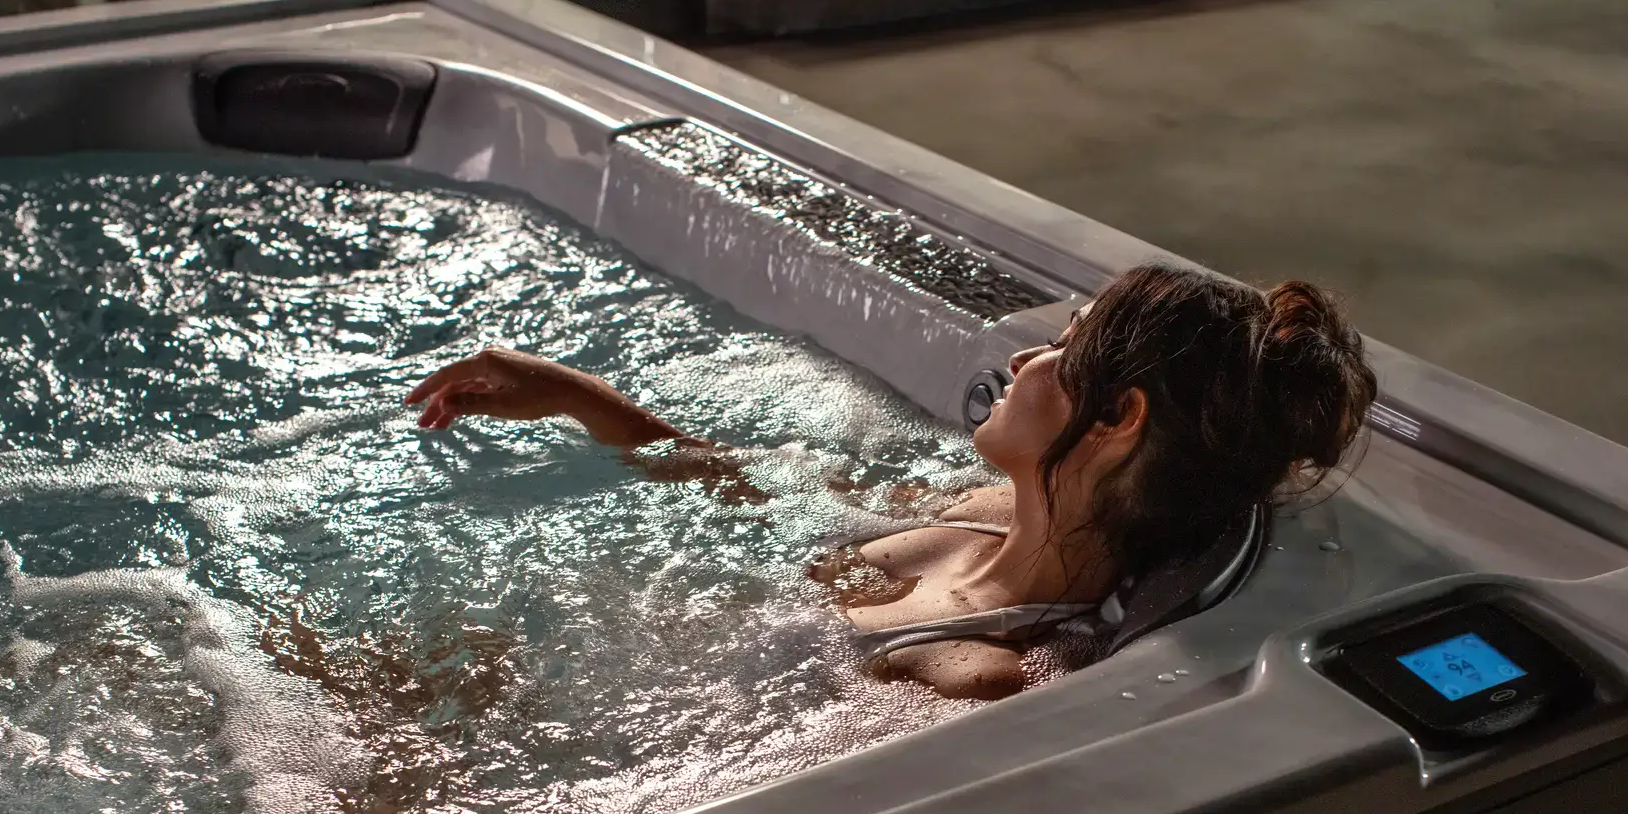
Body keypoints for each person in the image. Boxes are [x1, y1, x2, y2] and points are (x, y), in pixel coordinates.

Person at [404, 263, 1376, 700]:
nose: (1030, 356)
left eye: (1066, 349)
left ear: (1117, 420)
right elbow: (753, 486)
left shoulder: (976, 668)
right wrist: (577, 394)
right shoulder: (975, 516)